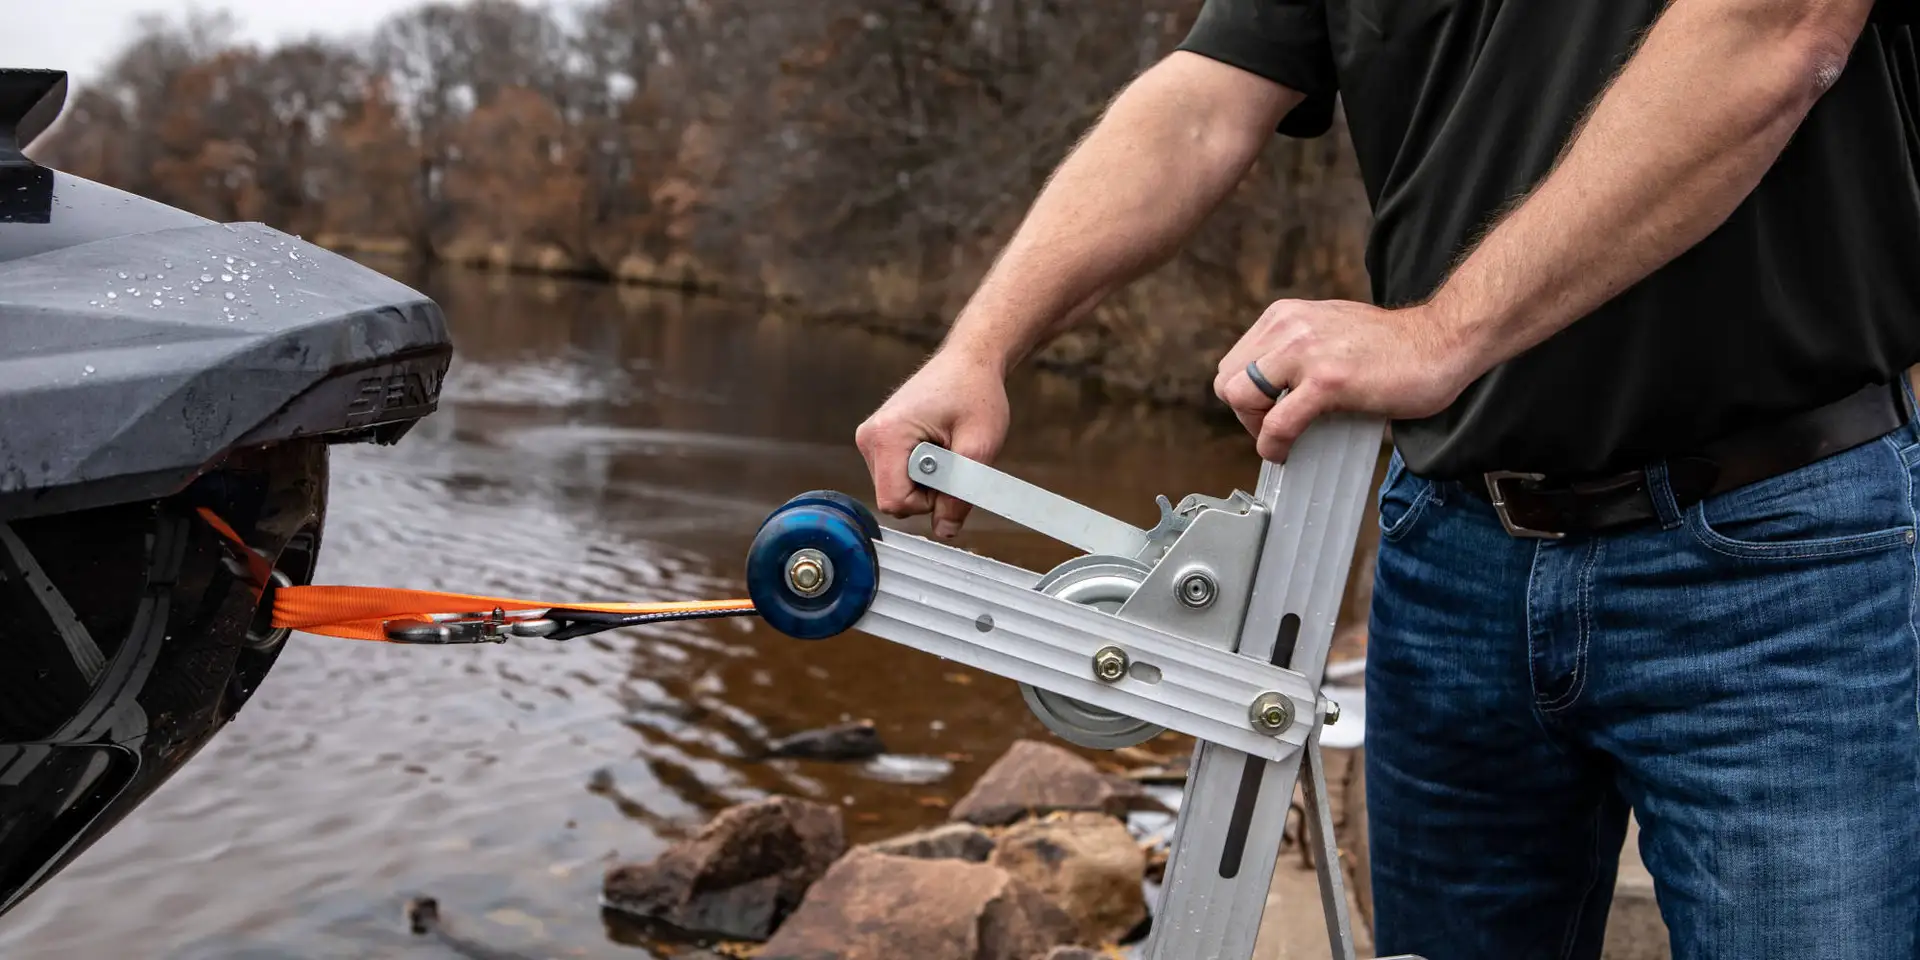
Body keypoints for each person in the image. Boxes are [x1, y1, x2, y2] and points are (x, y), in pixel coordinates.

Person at [852, 1, 1920, 958]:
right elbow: (1204, 100)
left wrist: (1444, 333)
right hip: (1453, 553)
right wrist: (979, 346)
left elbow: (1771, 35)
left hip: (1776, 560)